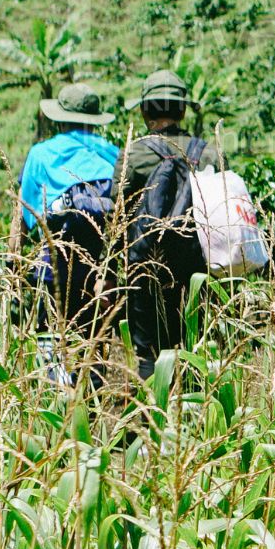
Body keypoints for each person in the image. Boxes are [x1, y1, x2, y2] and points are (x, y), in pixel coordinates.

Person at [115, 71, 223, 375]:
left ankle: (153, 416)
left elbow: (118, 209)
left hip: (145, 269)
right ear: (183, 110)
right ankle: (197, 416)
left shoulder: (133, 153)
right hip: (196, 270)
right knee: (196, 346)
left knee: (147, 353)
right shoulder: (208, 153)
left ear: (144, 111)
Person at [18, 82, 121, 384]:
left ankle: (55, 399)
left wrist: (14, 266)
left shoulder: (41, 154)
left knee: (50, 345)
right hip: (97, 273)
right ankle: (91, 410)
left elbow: (24, 216)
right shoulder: (114, 154)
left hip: (54, 271)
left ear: (59, 118)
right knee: (94, 346)